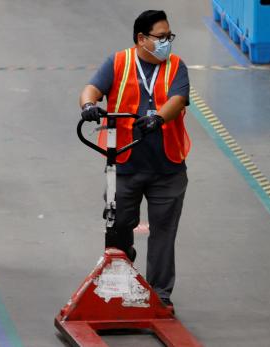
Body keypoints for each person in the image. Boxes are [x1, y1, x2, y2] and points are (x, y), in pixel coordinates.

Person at [79, 10, 190, 313]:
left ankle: (160, 295)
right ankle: (118, 280)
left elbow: (178, 99)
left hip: (167, 167)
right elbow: (92, 88)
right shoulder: (118, 62)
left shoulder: (177, 66)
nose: (167, 42)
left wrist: (158, 117)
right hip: (123, 165)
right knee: (117, 225)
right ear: (142, 39)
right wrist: (89, 105)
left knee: (163, 234)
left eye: (170, 36)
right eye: (161, 37)